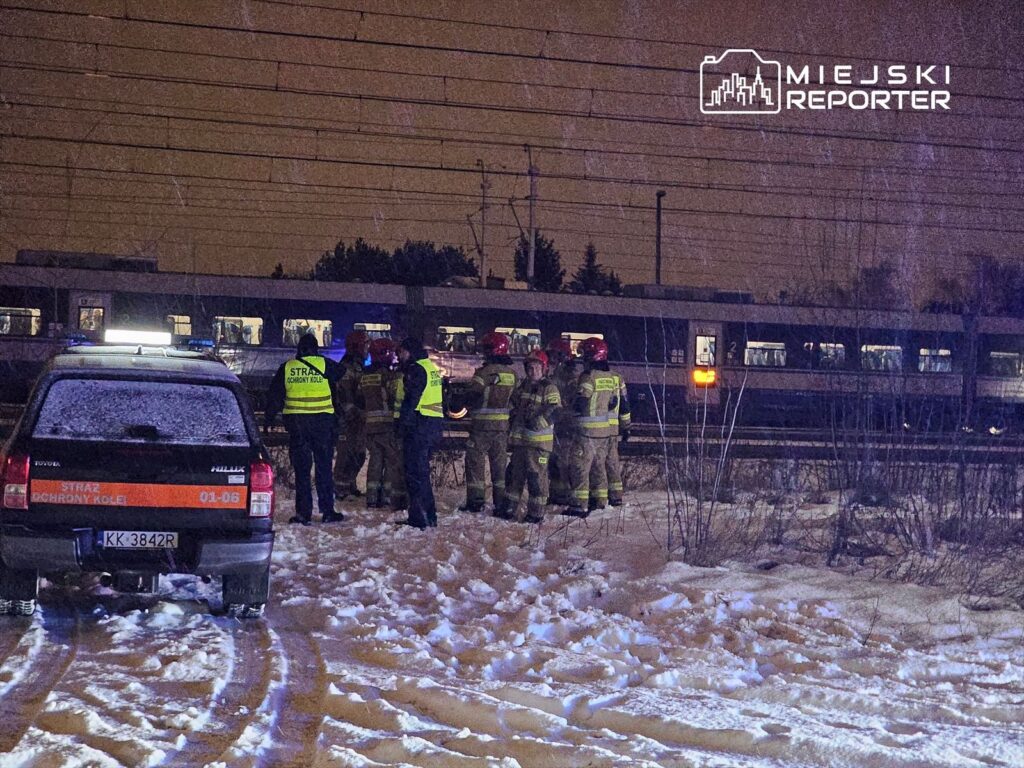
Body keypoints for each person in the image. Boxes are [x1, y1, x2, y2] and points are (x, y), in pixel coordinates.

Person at [264, 333, 344, 525]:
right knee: (324, 468)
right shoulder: (324, 364)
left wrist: (268, 419)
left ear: (298, 350)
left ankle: (303, 513)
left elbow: (274, 396)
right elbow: (341, 372)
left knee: (302, 471)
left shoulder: (288, 368)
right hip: (322, 425)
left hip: (298, 426)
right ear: (316, 349)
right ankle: (327, 511)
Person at [497, 349, 560, 523]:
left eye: (536, 368)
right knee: (514, 477)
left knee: (536, 480)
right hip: (520, 443)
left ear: (544, 368)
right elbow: (514, 404)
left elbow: (555, 410)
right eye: (529, 368)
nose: (532, 371)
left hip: (538, 445)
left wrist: (537, 423)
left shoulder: (550, 388)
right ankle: (509, 509)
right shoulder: (523, 386)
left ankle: (536, 513)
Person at [459, 331, 518, 513]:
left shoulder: (483, 373)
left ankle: (476, 501)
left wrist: (459, 399)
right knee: (499, 468)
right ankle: (500, 503)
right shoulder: (512, 375)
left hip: (481, 429)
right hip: (502, 429)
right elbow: (515, 401)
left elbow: (472, 394)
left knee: (475, 464)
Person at [565, 337, 617, 517]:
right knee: (598, 468)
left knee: (580, 468)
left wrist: (570, 406)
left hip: (586, 432)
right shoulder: (610, 377)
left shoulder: (588, 377)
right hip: (604, 432)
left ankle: (579, 506)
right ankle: (600, 502)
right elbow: (612, 402)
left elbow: (581, 401)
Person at [396, 336, 444, 529]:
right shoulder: (429, 367)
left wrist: (401, 426)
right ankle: (428, 515)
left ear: (410, 351)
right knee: (421, 472)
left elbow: (411, 400)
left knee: (415, 473)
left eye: (402, 352)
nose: (399, 356)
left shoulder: (416, 370)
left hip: (419, 426)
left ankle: (420, 517)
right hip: (431, 425)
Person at [357, 338, 407, 511]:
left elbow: (360, 399)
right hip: (387, 425)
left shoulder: (365, 376)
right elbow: (397, 398)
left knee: (375, 461)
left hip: (370, 426)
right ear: (386, 354)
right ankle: (385, 497)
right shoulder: (391, 376)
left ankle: (371, 498)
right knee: (391, 462)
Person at [334, 330, 369, 499]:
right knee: (346, 455)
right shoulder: (347, 367)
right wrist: (352, 413)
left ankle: (350, 484)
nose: (367, 349)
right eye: (365, 345)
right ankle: (341, 489)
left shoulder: (358, 365)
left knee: (359, 454)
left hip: (358, 419)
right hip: (348, 420)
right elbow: (344, 395)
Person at [545, 338, 579, 506]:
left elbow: (572, 400)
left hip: (565, 424)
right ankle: (556, 493)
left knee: (563, 462)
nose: (550, 358)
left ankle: (564, 494)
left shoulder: (570, 376)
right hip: (557, 424)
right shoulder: (556, 373)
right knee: (555, 461)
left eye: (553, 354)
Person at [602, 364, 631, 507]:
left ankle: (599, 497)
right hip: (612, 428)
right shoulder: (617, 378)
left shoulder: (590, 377)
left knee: (597, 464)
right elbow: (624, 404)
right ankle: (616, 496)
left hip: (595, 430)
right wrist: (626, 427)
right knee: (612, 463)